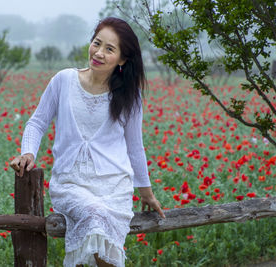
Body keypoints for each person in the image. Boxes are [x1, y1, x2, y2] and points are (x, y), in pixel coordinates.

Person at [10, 17, 165, 267]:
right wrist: (28, 153)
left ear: (123, 60)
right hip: (70, 184)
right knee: (93, 217)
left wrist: (146, 192)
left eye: (109, 49)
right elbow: (37, 122)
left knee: (98, 236)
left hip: (115, 186)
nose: (99, 53)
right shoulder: (64, 80)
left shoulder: (129, 95)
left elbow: (135, 147)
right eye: (97, 43)